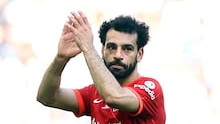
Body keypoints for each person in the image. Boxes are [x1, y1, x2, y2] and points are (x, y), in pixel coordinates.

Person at [37, 11, 166, 124]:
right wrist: (61, 58)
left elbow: (114, 97)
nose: (118, 55)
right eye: (111, 47)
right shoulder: (94, 92)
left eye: (127, 49)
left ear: (139, 54)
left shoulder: (150, 89)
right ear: (103, 49)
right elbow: (47, 97)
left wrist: (88, 47)